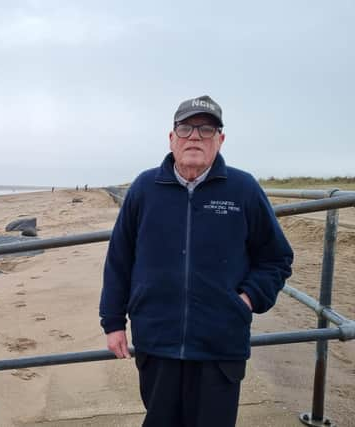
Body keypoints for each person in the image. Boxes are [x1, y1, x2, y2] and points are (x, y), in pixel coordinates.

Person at [99, 95, 293, 427]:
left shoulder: (243, 188)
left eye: (206, 129)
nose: (194, 137)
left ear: (220, 140)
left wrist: (246, 300)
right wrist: (113, 322)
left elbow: (276, 258)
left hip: (220, 344)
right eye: (186, 128)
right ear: (171, 137)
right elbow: (119, 259)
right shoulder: (144, 188)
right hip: (157, 340)